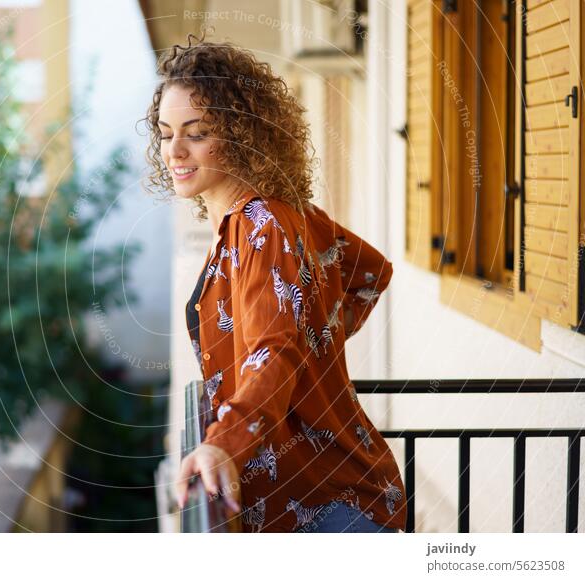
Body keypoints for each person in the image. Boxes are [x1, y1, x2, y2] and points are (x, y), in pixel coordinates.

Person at [143, 32, 406, 533]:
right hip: (313, 496)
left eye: (196, 132)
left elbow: (274, 345)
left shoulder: (262, 223)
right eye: (164, 132)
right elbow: (369, 273)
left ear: (242, 135)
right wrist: (311, 349)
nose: (173, 150)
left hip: (331, 506)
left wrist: (226, 439)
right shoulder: (276, 216)